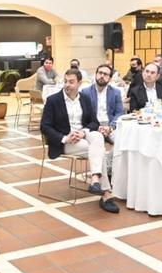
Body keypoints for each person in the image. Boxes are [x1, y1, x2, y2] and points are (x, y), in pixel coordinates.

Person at [41, 69, 117, 212]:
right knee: (98, 150)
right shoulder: (53, 100)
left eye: (71, 82)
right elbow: (44, 126)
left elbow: (94, 122)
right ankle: (106, 193)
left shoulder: (85, 99)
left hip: (82, 136)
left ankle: (95, 179)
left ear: (79, 83)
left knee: (98, 137)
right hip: (65, 142)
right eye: (65, 81)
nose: (67, 85)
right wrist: (65, 138)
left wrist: (83, 132)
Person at [82, 64, 124, 146]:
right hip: (93, 128)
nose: (102, 76)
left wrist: (110, 127)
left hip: (110, 126)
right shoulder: (85, 92)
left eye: (105, 74)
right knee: (98, 141)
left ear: (110, 78)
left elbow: (119, 113)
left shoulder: (116, 92)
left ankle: (111, 158)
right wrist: (96, 127)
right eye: (100, 73)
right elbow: (84, 115)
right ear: (95, 74)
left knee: (121, 142)